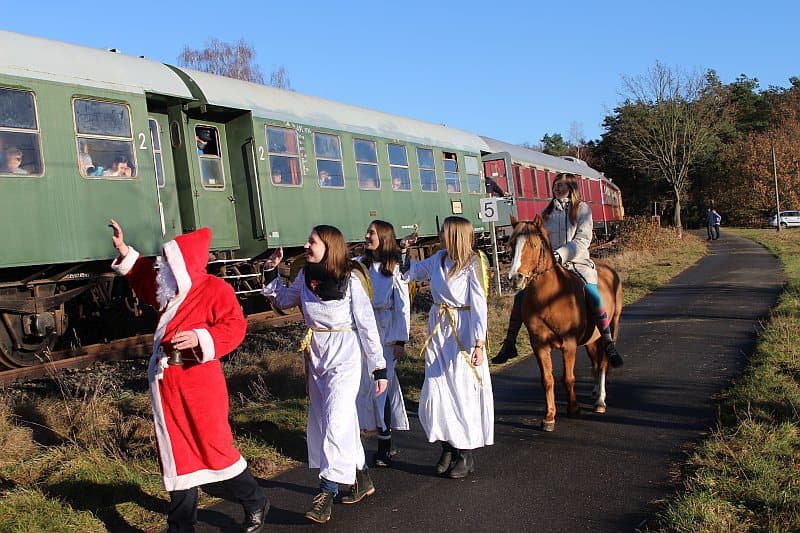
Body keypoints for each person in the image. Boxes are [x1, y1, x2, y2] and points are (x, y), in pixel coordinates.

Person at [108, 220, 269, 533]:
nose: (164, 266)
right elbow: (144, 278)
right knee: (178, 454)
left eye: (170, 260)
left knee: (216, 448)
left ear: (186, 263)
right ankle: (181, 526)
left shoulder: (215, 289)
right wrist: (125, 250)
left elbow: (235, 327)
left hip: (200, 384)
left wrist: (200, 337)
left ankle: (255, 500)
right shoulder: (170, 288)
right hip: (168, 386)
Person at [261, 225, 387, 524]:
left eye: (312, 242)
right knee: (328, 419)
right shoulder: (306, 276)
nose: (306, 246)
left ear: (329, 246)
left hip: (345, 353)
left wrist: (378, 367)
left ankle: (326, 491)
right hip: (317, 355)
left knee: (336, 419)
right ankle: (360, 477)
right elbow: (283, 301)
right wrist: (271, 271)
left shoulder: (351, 279)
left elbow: (367, 325)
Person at [491, 172, 624, 369]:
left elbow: (583, 239)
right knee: (521, 296)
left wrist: (561, 254)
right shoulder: (546, 212)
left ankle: (607, 340)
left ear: (571, 188)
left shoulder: (583, 209)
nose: (558, 188)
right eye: (556, 185)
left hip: (577, 263)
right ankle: (509, 343)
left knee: (592, 293)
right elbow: (539, 240)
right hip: (550, 266)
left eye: (562, 185)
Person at [400, 216, 493, 479]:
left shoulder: (472, 264)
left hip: (463, 332)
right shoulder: (439, 258)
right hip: (439, 329)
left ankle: (465, 453)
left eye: (443, 231)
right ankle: (447, 446)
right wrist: (404, 249)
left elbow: (479, 305)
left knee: (461, 391)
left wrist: (479, 343)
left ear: (455, 235)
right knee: (435, 391)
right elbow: (409, 273)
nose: (439, 234)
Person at [355, 220, 411, 468]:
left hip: (386, 334)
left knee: (382, 387)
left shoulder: (394, 268)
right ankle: (367, 433)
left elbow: (403, 305)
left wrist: (400, 340)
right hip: (363, 333)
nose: (367, 236)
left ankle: (384, 444)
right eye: (367, 231)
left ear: (384, 237)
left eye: (372, 233)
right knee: (365, 386)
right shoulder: (359, 265)